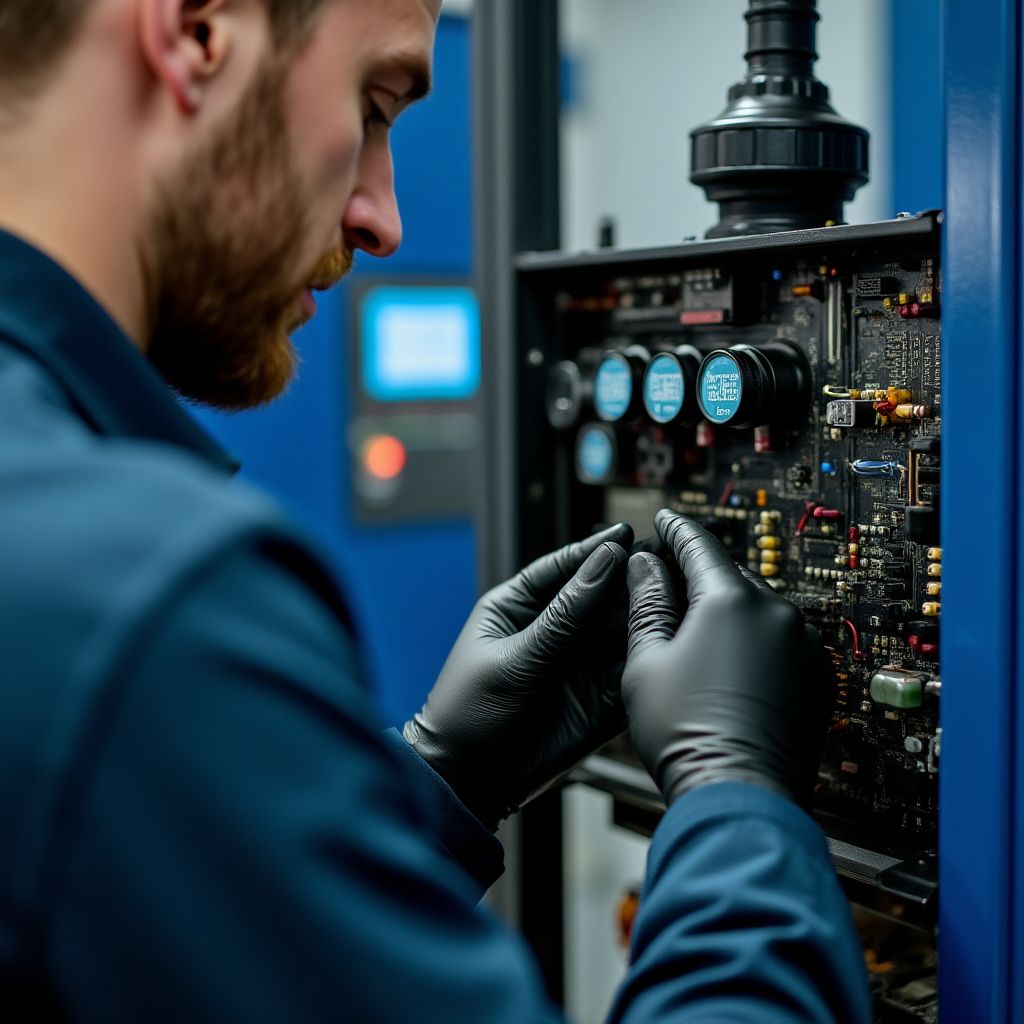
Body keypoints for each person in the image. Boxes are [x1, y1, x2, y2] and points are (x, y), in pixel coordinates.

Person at [0, 0, 872, 1020]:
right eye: (373, 108)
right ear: (195, 32)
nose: (383, 219)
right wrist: (737, 799)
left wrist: (439, 778)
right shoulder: (147, 597)